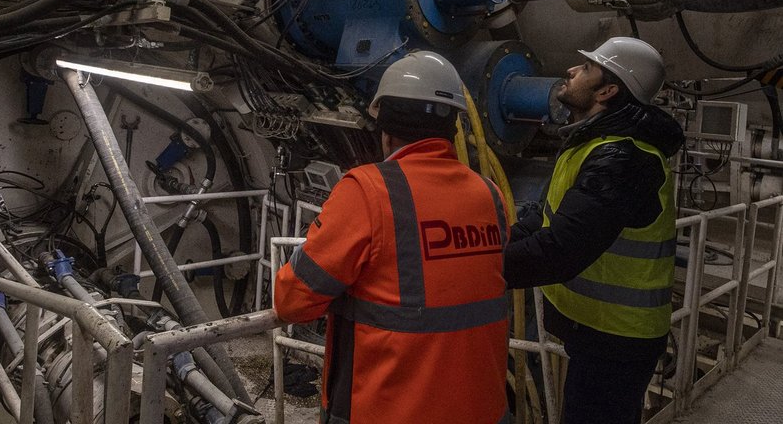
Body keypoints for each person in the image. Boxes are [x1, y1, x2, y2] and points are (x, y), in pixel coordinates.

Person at [274, 51, 510, 424]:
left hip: (391, 411)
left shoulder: (367, 190)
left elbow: (292, 301)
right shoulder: (489, 195)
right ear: (452, 126)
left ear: (385, 129)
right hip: (484, 409)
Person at [504, 37, 684, 424]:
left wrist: (472, 270)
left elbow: (562, 249)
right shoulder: (596, 145)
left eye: (586, 68)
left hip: (617, 341)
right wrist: (495, 244)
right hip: (598, 333)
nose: (571, 71)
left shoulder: (622, 158)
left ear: (607, 90)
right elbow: (546, 217)